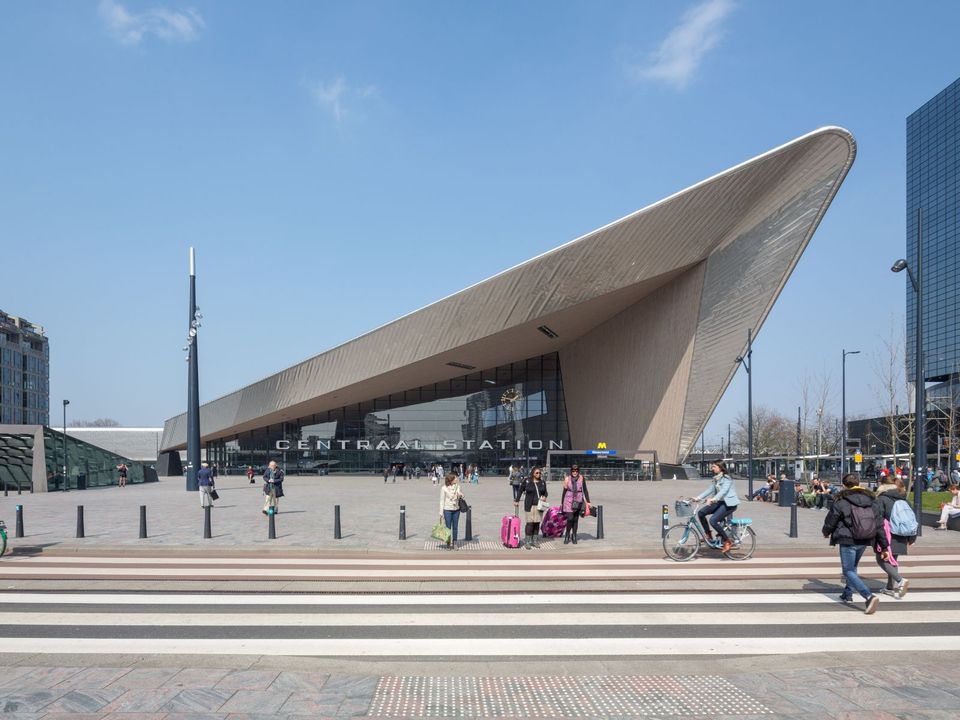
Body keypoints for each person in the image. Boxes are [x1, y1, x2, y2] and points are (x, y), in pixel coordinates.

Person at [822, 473, 888, 614]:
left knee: (848, 570)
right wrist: (884, 546)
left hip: (847, 539)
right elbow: (879, 525)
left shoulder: (841, 501)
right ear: (859, 483)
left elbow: (831, 519)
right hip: (864, 538)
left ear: (844, 485)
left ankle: (868, 596)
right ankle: (848, 593)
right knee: (853, 567)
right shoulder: (872, 501)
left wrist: (826, 532)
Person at [875, 474, 914, 597]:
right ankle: (890, 587)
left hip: (887, 534)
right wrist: (912, 538)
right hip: (902, 534)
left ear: (883, 485)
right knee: (893, 561)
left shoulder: (882, 499)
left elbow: (878, 519)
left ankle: (900, 580)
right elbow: (911, 518)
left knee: (882, 559)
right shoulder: (904, 499)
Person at [695, 461, 739, 553]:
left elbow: (723, 491)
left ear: (720, 467)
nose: (712, 468)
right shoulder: (716, 478)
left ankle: (727, 541)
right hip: (720, 502)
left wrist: (713, 499)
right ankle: (708, 535)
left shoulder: (727, 478)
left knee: (713, 520)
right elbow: (710, 489)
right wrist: (698, 498)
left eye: (714, 467)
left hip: (729, 504)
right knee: (701, 513)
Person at [518, 466, 548, 549]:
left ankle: (535, 541)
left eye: (540, 473)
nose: (539, 474)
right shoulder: (527, 481)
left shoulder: (542, 482)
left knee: (537, 523)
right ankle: (527, 541)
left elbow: (545, 492)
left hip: (539, 506)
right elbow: (520, 490)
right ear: (533, 473)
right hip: (529, 506)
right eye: (537, 473)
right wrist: (517, 500)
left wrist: (545, 496)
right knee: (530, 523)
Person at [561, 465, 590, 545]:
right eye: (573, 471)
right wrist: (562, 503)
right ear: (571, 471)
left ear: (578, 471)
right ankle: (567, 534)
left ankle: (574, 535)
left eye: (576, 471)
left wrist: (588, 501)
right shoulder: (567, 479)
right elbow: (564, 491)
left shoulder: (581, 478)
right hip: (568, 500)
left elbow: (585, 490)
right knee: (570, 518)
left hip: (578, 500)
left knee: (575, 519)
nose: (575, 472)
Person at [438, 472, 464, 549]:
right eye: (455, 478)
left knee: (455, 527)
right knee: (448, 527)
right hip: (447, 510)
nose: (456, 479)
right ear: (451, 479)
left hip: (456, 509)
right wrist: (441, 512)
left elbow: (461, 495)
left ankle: (455, 543)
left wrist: (461, 495)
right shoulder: (444, 488)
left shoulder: (458, 486)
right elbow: (442, 500)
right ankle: (448, 543)